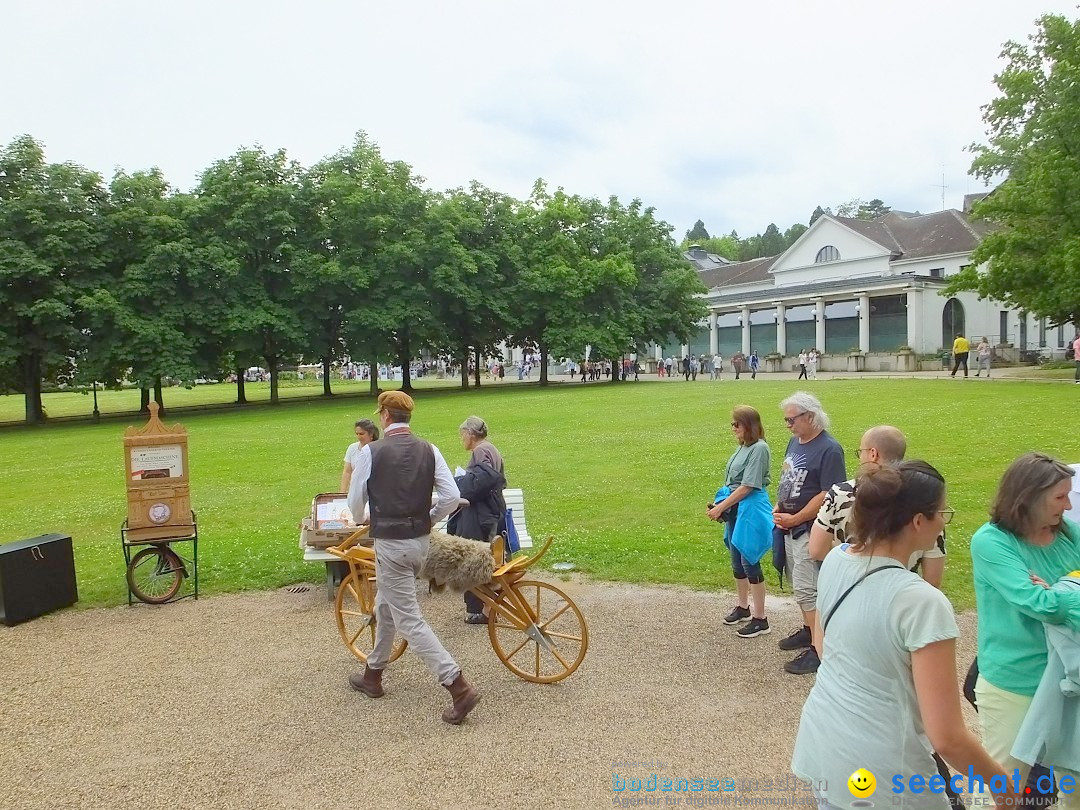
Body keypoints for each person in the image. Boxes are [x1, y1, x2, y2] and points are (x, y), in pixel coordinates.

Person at [792, 461, 1015, 810]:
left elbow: (822, 644)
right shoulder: (921, 601)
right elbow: (948, 737)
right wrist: (1001, 784)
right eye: (941, 512)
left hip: (824, 744)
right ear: (917, 522)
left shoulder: (836, 559)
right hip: (885, 773)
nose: (943, 521)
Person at [345, 390, 480, 725]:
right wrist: (431, 518)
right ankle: (373, 675)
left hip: (391, 545)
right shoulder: (429, 450)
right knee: (387, 606)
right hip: (420, 543)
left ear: (385, 417)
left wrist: (362, 515)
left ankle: (458, 686)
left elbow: (354, 502)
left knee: (409, 619)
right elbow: (451, 496)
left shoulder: (370, 452)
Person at [971, 453, 1080, 800]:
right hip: (1015, 683)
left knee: (1075, 791)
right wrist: (1066, 591)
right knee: (1003, 792)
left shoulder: (1070, 535)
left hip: (1069, 680)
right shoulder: (991, 541)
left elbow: (1049, 603)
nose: (1067, 505)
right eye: (1060, 497)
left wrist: (1056, 593)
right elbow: (1037, 605)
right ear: (1029, 498)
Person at [775, 392, 846, 675]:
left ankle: (819, 649)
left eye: (791, 419)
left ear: (811, 417)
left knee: (809, 588)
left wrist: (796, 517)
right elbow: (788, 476)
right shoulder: (795, 441)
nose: (788, 425)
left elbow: (829, 492)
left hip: (810, 527)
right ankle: (809, 629)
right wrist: (779, 507)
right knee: (799, 582)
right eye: (786, 419)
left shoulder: (829, 449)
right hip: (789, 524)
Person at [708, 406, 773, 639]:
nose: (733, 428)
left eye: (737, 424)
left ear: (749, 425)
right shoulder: (743, 447)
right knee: (737, 561)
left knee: (749, 560)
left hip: (751, 508)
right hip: (736, 508)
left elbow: (748, 486)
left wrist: (720, 507)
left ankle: (761, 618)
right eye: (732, 424)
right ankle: (744, 608)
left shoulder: (759, 448)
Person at [447, 416, 507, 624]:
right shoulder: (491, 448)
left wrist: (462, 482)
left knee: (476, 559)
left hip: (481, 513)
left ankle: (480, 610)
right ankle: (490, 608)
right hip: (491, 510)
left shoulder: (481, 450)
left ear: (471, 434)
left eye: (462, 434)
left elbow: (485, 480)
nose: (461, 438)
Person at [341, 419, 380, 492]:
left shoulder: (379, 449)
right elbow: (347, 471)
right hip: (356, 490)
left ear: (371, 434)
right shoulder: (352, 448)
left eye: (361, 434)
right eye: (357, 434)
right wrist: (342, 493)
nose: (359, 437)